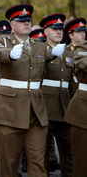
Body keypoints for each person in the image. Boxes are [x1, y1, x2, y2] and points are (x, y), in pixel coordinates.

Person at [0, 4, 66, 177]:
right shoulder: (4, 42)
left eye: (28, 20)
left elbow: (48, 55)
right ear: (12, 24)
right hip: (10, 110)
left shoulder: (39, 45)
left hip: (35, 112)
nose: (26, 23)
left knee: (38, 162)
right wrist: (9, 54)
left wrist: (54, 52)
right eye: (21, 21)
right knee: (9, 163)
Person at [39, 14, 73, 176]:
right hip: (45, 108)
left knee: (69, 153)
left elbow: (72, 82)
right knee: (42, 154)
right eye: (55, 29)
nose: (59, 32)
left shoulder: (68, 52)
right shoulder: (39, 50)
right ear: (45, 31)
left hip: (65, 108)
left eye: (61, 29)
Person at [64, 18, 87, 177]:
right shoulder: (80, 48)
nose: (82, 34)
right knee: (81, 162)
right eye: (78, 31)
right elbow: (82, 63)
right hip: (82, 111)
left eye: (83, 31)